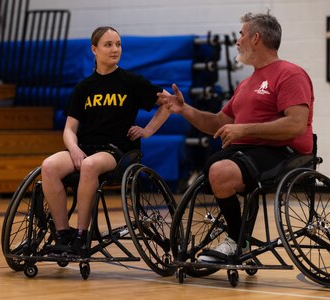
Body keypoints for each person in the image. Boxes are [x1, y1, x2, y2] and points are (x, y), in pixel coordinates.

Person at [158, 12, 314, 262]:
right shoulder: (247, 84)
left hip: (284, 152)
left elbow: (296, 125)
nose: (237, 40)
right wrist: (184, 109)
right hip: (248, 151)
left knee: (221, 171)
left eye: (241, 34)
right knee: (213, 166)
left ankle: (236, 241)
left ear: (256, 38)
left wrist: (244, 129)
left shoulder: (290, 74)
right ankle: (241, 238)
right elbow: (218, 123)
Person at [41, 26, 170, 256]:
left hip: (116, 151)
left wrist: (147, 130)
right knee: (49, 166)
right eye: (108, 45)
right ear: (94, 49)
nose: (115, 49)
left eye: (118, 44)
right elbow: (70, 129)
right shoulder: (84, 87)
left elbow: (168, 104)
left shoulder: (131, 82)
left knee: (90, 166)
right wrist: (73, 149)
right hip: (84, 148)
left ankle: (82, 236)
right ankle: (63, 234)